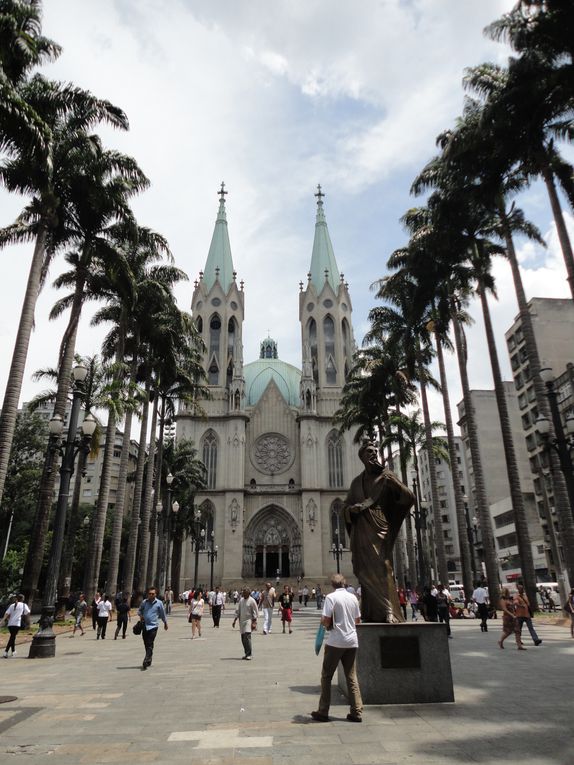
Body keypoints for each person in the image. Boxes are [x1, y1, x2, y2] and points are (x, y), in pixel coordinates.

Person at [343, 442, 414, 623]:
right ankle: (371, 612)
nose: (374, 454)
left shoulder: (387, 476)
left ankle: (389, 611)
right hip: (361, 530)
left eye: (376, 451)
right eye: (369, 452)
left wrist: (396, 485)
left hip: (379, 528)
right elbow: (345, 506)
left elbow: (409, 497)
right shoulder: (356, 482)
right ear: (363, 457)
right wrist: (351, 510)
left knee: (382, 568)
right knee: (364, 570)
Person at [311, 574, 363, 723]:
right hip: (352, 641)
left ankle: (323, 711)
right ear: (345, 584)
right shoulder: (353, 597)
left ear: (332, 585)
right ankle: (357, 711)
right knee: (351, 676)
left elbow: (326, 620)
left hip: (336, 642)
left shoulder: (331, 598)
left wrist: (325, 624)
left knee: (326, 676)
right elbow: (357, 621)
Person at [137, 586, 168, 670]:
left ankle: (146, 659)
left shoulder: (159, 603)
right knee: (146, 643)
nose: (151, 595)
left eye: (153, 594)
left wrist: (165, 623)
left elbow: (162, 614)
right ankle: (149, 657)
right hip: (145, 626)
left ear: (155, 594)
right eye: (150, 594)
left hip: (153, 626)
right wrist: (141, 616)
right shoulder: (144, 602)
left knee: (150, 642)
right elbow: (139, 611)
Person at [233, 587, 258, 659]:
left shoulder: (252, 601)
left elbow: (255, 612)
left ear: (248, 593)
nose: (243, 594)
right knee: (243, 638)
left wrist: (254, 622)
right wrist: (235, 620)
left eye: (244, 592)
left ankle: (249, 654)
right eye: (243, 592)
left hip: (249, 620)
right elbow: (238, 611)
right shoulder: (241, 600)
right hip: (242, 621)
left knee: (247, 636)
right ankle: (246, 653)